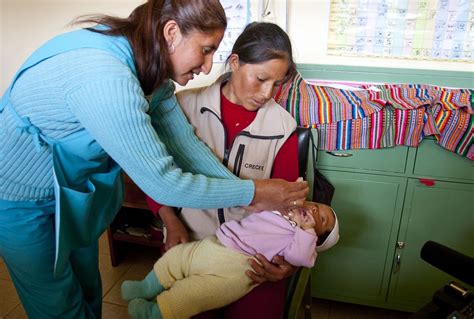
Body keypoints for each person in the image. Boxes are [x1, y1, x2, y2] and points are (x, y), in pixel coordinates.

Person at [0, 2, 308, 318]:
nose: (206, 67)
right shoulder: (105, 76)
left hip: (71, 190)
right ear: (171, 32)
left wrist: (246, 193)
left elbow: (187, 146)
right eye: (204, 50)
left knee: (87, 286)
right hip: (20, 197)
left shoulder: (153, 77)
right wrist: (253, 193)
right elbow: (164, 182)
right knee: (57, 304)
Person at [145, 21, 305, 318]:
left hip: (252, 255)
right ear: (234, 63)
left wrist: (289, 259)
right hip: (192, 241)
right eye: (260, 79)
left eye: (277, 83)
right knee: (179, 306)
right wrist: (170, 219)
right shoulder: (182, 108)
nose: (267, 93)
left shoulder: (282, 127)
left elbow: (290, 205)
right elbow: (156, 174)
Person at [121, 201, 340, 319]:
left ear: (315, 239)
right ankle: (145, 287)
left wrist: (308, 232)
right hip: (217, 244)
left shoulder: (300, 240)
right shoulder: (287, 207)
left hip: (237, 269)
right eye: (317, 206)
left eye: (320, 219)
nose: (313, 210)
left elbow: (301, 257)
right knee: (177, 258)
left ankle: (154, 313)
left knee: (192, 295)